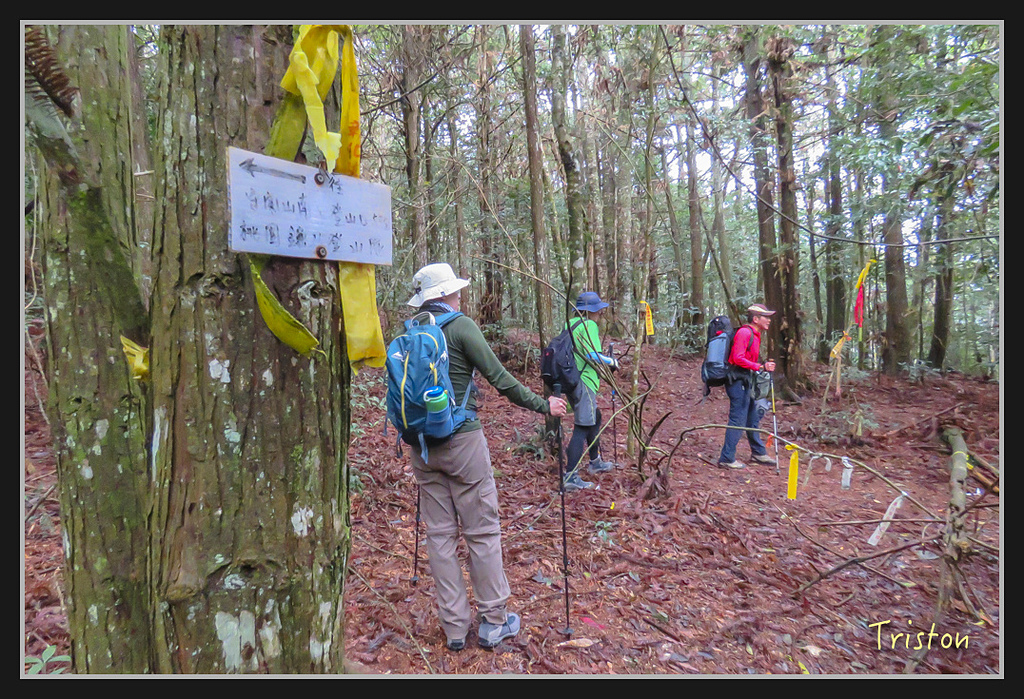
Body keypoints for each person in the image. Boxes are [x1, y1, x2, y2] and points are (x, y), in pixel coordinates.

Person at [403, 263, 568, 651]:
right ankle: (494, 620)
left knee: (440, 536)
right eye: (455, 291)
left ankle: (455, 627)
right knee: (481, 532)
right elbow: (501, 379)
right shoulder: (461, 327)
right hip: (463, 443)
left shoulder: (409, 332)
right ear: (444, 295)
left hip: (422, 448)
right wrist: (544, 405)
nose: (460, 296)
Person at [563, 291, 619, 491]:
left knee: (594, 416)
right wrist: (612, 361)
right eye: (597, 311)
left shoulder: (570, 324)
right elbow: (593, 355)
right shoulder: (589, 325)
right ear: (590, 311)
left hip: (571, 381)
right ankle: (570, 476)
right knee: (582, 426)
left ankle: (595, 461)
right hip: (584, 382)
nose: (599, 315)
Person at [717, 303, 777, 469]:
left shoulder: (755, 334)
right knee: (738, 419)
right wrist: (759, 367)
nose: (769, 320)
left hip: (744, 380)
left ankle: (758, 453)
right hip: (737, 381)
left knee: (751, 416)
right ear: (756, 319)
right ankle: (727, 458)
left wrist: (760, 366)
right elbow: (737, 358)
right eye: (766, 317)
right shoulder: (745, 332)